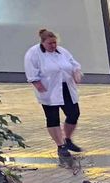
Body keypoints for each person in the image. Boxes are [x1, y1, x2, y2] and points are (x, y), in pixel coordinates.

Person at [24, 29, 84, 160]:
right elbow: (31, 73)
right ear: (43, 42)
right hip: (48, 89)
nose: (53, 46)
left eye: (55, 43)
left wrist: (76, 73)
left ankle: (67, 139)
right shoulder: (33, 53)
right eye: (50, 43)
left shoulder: (62, 51)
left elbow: (74, 65)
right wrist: (39, 86)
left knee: (74, 113)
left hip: (66, 87)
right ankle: (60, 146)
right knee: (53, 118)